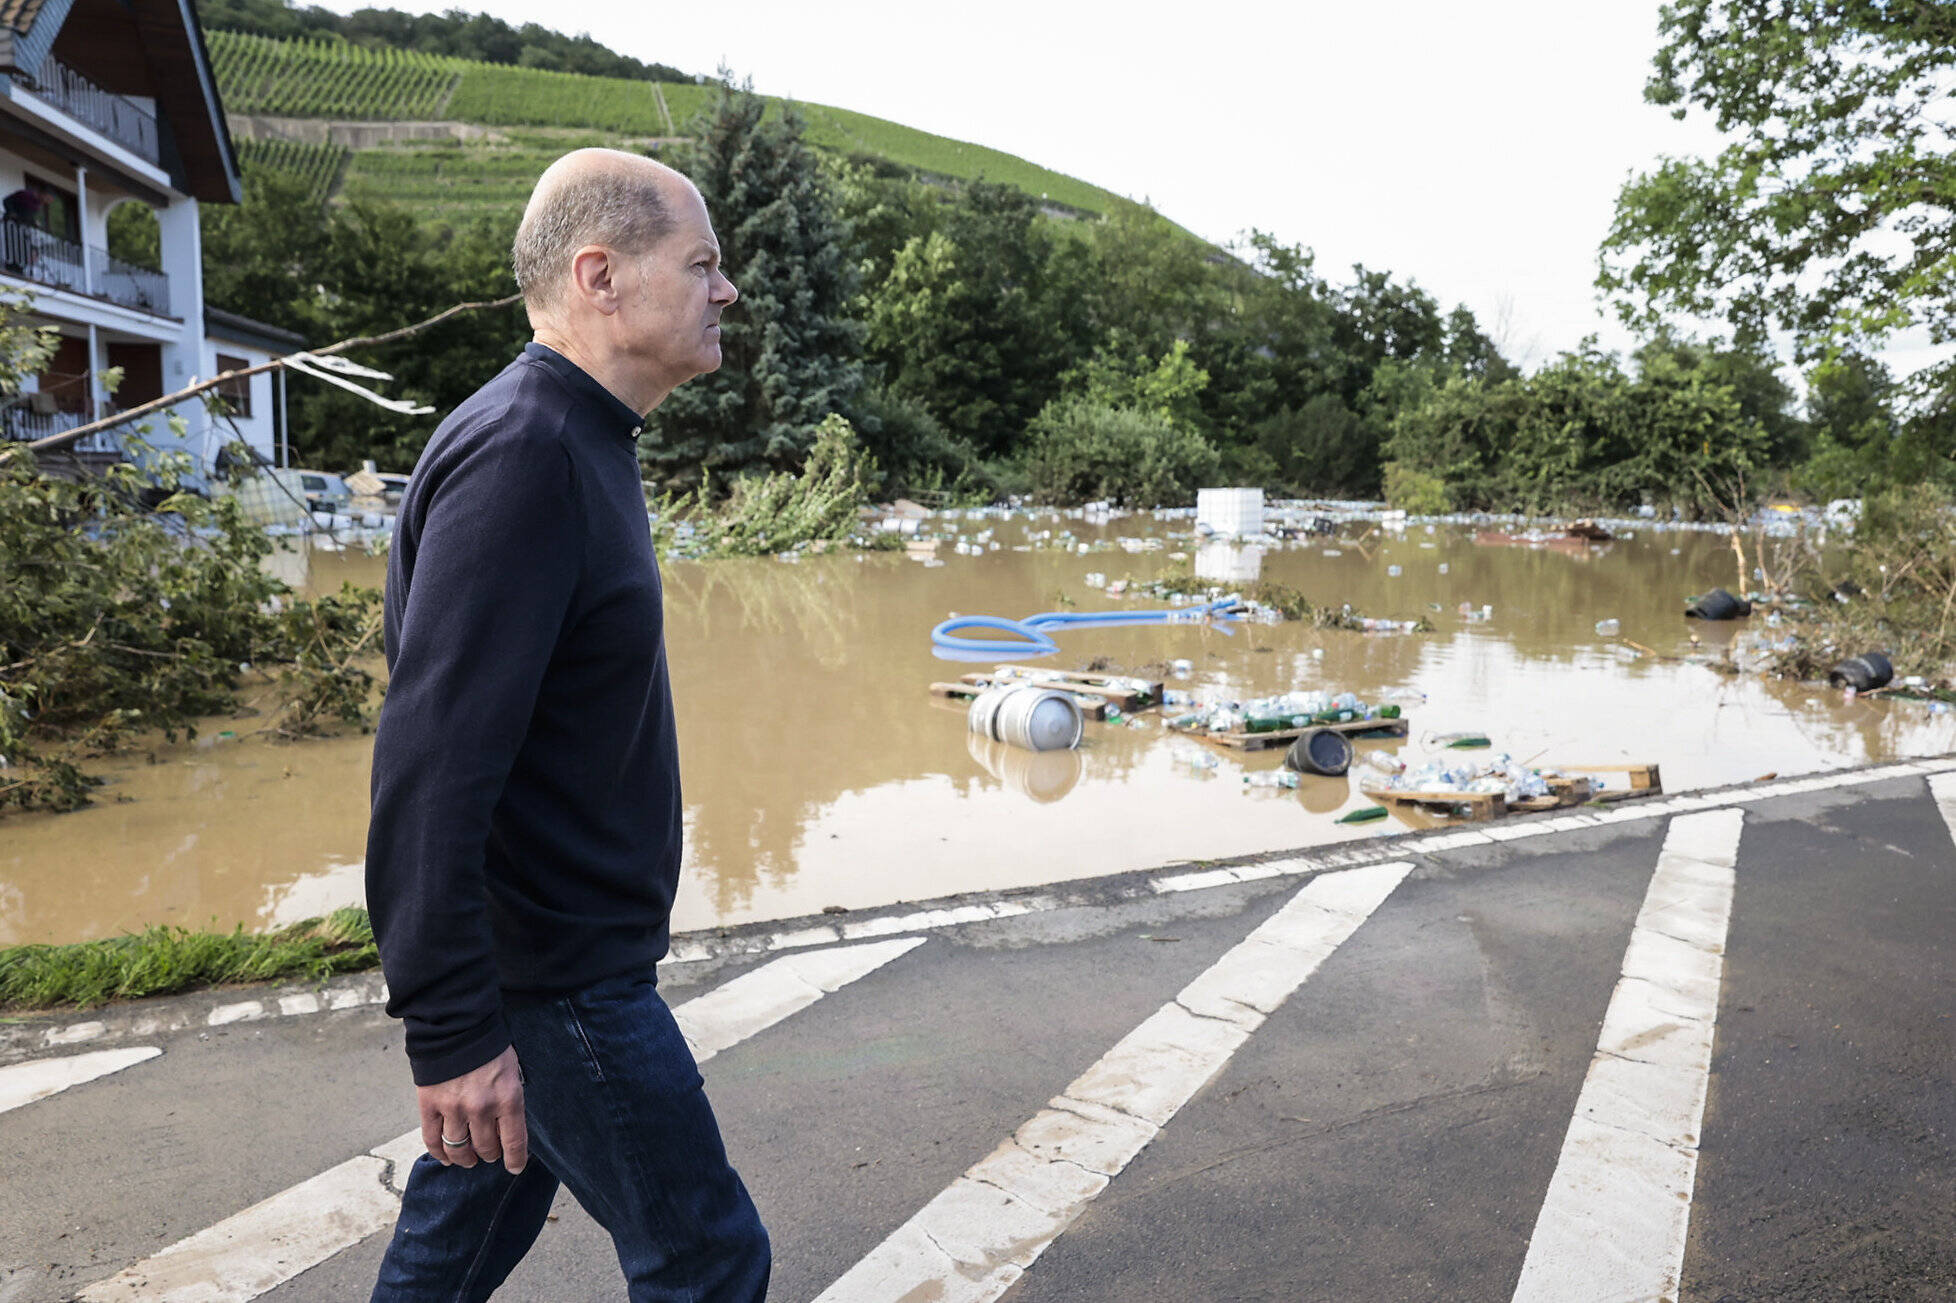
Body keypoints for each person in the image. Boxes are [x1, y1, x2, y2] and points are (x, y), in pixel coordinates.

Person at [364, 149, 765, 1302]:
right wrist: (450, 1034)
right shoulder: (527, 453)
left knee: (447, 1264)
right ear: (600, 274)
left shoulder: (576, 434)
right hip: (562, 986)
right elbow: (431, 765)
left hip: (545, 972)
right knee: (710, 1261)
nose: (724, 289)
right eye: (702, 263)